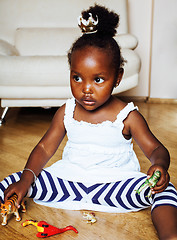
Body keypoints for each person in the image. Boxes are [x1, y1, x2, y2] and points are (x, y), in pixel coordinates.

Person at [0, 4, 177, 239]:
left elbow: (156, 149)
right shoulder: (67, 111)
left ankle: (170, 235)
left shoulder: (127, 115)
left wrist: (159, 166)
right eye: (77, 77)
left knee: (165, 189)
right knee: (16, 179)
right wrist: (25, 180)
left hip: (116, 187)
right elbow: (44, 148)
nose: (86, 89)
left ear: (117, 78)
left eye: (99, 79)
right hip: (68, 184)